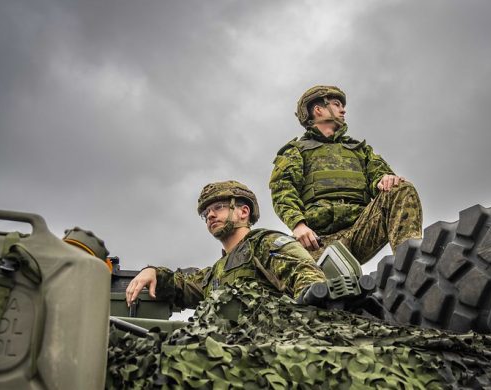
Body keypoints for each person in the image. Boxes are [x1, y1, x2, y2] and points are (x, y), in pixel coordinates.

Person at [269, 85, 423, 264]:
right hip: (318, 242)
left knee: (401, 189)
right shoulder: (296, 151)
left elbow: (380, 174)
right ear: (318, 110)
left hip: (360, 230)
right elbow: (283, 190)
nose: (343, 109)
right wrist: (298, 225)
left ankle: (411, 266)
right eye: (336, 104)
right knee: (299, 276)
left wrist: (386, 178)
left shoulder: (359, 149)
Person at [125, 180, 326, 309]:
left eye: (218, 207)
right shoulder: (215, 273)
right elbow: (182, 286)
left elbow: (307, 278)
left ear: (243, 212)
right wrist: (153, 272)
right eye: (206, 213)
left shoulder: (265, 243)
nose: (210, 215)